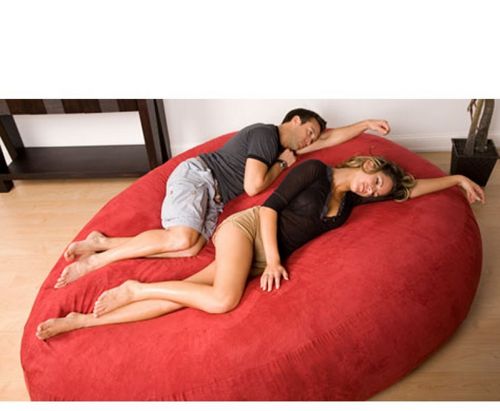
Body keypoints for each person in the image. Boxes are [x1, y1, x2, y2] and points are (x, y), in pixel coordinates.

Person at [36, 155, 485, 340]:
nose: (372, 190)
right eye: (375, 181)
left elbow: (409, 189)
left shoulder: (350, 200)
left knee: (182, 298)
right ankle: (136, 287)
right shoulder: (316, 171)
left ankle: (82, 322)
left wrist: (458, 178)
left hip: (256, 257)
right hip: (247, 232)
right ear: (367, 164)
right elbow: (268, 209)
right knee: (222, 300)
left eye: (378, 192)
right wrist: (273, 260)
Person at [54, 113, 391, 288]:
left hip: (212, 198)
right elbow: (253, 187)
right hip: (198, 178)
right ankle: (97, 262)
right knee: (181, 239)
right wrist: (282, 164)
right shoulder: (266, 135)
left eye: (314, 138)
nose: (311, 140)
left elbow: (331, 138)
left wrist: (365, 124)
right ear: (295, 121)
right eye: (309, 133)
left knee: (188, 250)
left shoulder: (285, 147)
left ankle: (102, 242)